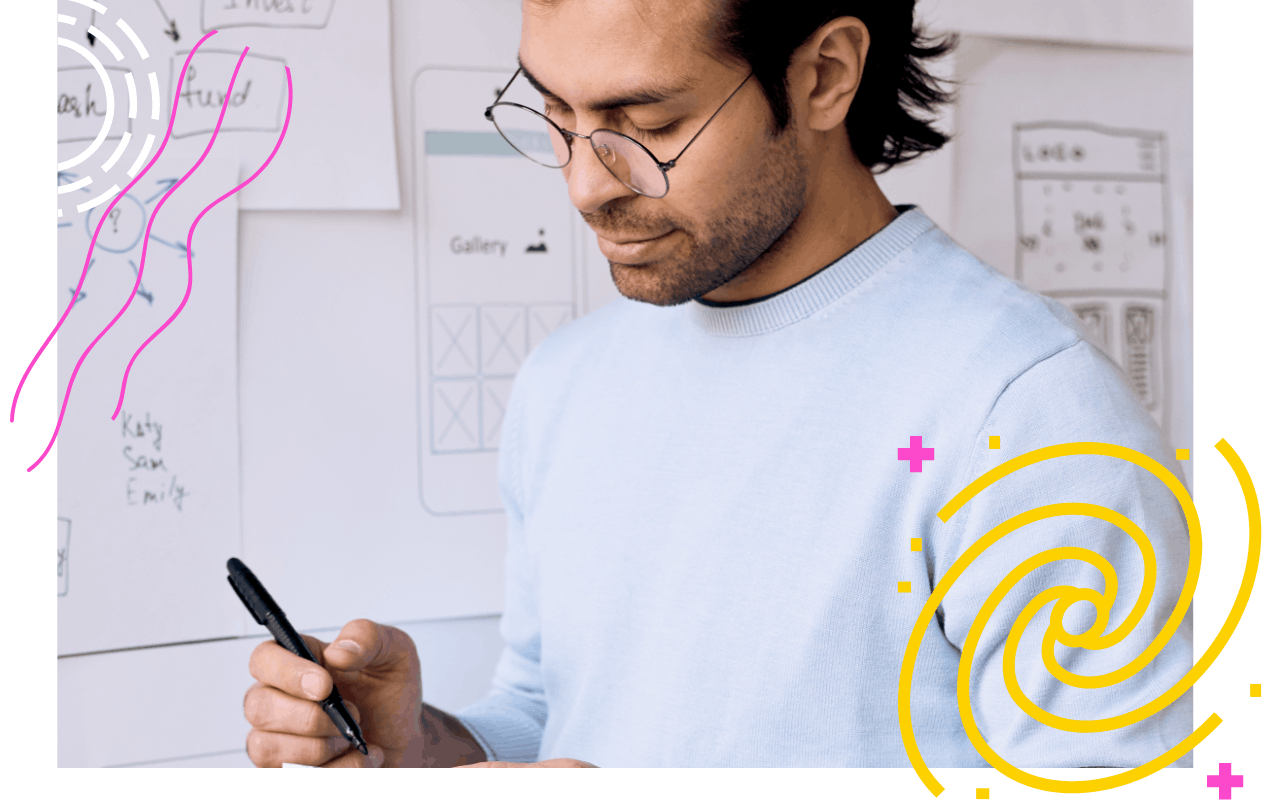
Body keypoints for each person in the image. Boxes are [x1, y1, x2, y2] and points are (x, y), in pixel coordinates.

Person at [243, 0, 1193, 768]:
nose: (584, 183)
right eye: (558, 115)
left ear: (824, 74)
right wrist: (422, 747)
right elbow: (551, 714)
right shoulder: (566, 384)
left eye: (648, 122)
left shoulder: (1026, 410)